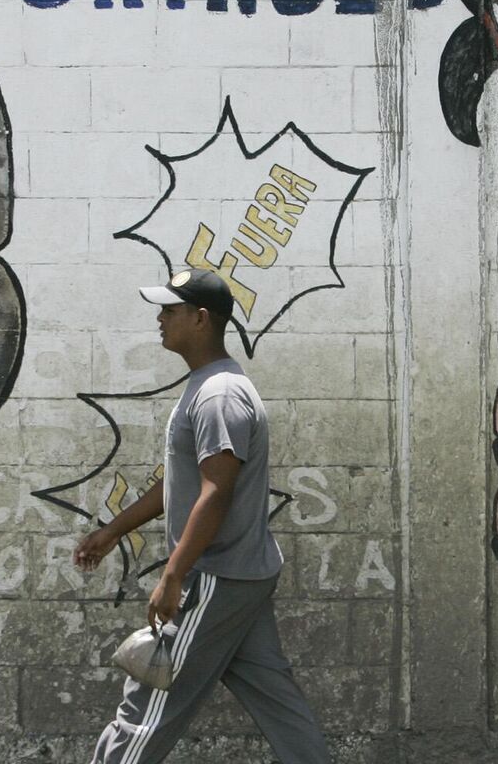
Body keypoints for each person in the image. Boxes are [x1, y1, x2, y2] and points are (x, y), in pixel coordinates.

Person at [74, 268, 331, 764]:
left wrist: (174, 575)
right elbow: (183, 483)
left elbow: (216, 491)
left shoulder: (219, 395)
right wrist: (113, 531)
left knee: (149, 704)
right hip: (243, 575)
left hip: (215, 576)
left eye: (170, 311)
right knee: (278, 704)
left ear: (201, 318)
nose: (160, 319)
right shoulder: (209, 386)